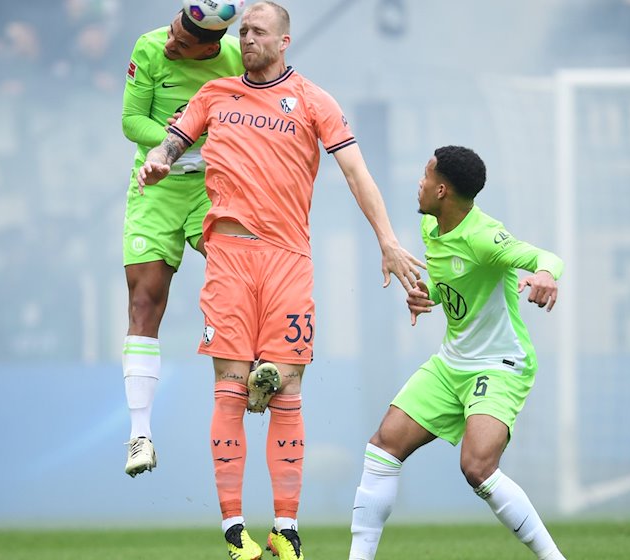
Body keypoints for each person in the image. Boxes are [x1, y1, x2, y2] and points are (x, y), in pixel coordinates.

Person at [137, 3, 423, 559]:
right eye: (242, 31)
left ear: (284, 41)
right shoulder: (215, 95)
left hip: (289, 257)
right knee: (230, 384)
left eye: (257, 32)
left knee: (287, 388)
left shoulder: (315, 101)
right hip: (229, 255)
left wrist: (387, 239)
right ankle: (234, 530)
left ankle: (286, 529)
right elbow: (171, 143)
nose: (246, 39)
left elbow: (356, 171)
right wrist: (158, 159)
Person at [347, 146, 568, 560]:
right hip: (451, 364)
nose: (420, 182)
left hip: (500, 365)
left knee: (477, 467)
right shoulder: (433, 230)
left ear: (442, 189)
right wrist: (425, 294)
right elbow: (453, 285)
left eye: (426, 176)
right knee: (384, 445)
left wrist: (544, 275)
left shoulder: (484, 237)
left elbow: (545, 257)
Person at [121, 7, 244, 478]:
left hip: (213, 187)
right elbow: (132, 121)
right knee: (145, 302)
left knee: (240, 274)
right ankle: (139, 435)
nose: (170, 43)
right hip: (157, 187)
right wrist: (180, 138)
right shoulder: (148, 47)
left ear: (209, 47)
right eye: (172, 31)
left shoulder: (235, 57)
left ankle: (254, 371)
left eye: (181, 43)